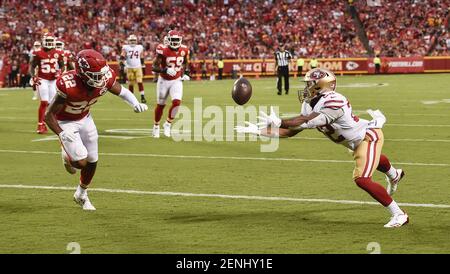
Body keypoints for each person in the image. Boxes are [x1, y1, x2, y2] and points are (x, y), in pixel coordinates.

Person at [236, 68, 408, 228]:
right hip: (355, 142)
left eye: (310, 84)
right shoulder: (309, 104)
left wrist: (281, 121)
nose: (306, 88)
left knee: (362, 179)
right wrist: (258, 131)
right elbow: (291, 131)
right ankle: (394, 174)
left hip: (368, 137)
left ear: (323, 86)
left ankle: (399, 214)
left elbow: (307, 121)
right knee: (369, 158)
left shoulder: (335, 101)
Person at [44, 49, 148, 210]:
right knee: (80, 163)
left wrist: (135, 103)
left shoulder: (104, 77)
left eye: (101, 74)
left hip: (85, 117)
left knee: (92, 158)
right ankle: (66, 155)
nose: (101, 78)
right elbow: (48, 115)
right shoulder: (68, 84)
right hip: (66, 121)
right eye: (95, 75)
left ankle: (81, 194)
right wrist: (62, 133)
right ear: (83, 74)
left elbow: (122, 91)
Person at [151, 30, 190, 138]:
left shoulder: (184, 49)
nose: (175, 42)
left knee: (177, 102)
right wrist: (164, 70)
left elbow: (186, 62)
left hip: (176, 80)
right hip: (163, 80)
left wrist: (185, 73)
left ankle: (168, 124)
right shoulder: (163, 50)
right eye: (173, 40)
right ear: (168, 40)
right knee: (161, 105)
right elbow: (154, 67)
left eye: (177, 40)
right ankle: (156, 126)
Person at [29, 34, 65, 134]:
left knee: (53, 103)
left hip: (53, 80)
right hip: (42, 79)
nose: (49, 43)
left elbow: (62, 66)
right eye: (47, 41)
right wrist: (33, 76)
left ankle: (53, 123)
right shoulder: (38, 53)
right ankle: (40, 124)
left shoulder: (58, 52)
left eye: (50, 41)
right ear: (43, 41)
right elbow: (31, 66)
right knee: (44, 102)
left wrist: (60, 72)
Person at [121, 34, 147, 103]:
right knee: (131, 84)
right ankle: (131, 98)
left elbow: (141, 57)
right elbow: (122, 58)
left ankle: (142, 97)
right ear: (129, 41)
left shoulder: (139, 47)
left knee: (140, 82)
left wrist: (143, 66)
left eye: (133, 40)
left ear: (136, 41)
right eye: (131, 40)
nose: (132, 42)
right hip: (129, 68)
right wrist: (125, 65)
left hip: (138, 67)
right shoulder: (126, 47)